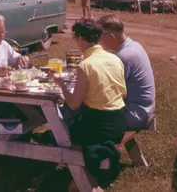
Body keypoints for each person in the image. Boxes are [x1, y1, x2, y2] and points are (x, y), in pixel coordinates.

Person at [47, 18, 126, 186]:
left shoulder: (86, 65)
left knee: (62, 132)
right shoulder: (114, 59)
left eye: (75, 37)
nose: (75, 41)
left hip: (98, 128)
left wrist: (61, 84)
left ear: (82, 38)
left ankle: (76, 178)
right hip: (119, 122)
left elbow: (74, 104)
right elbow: (122, 94)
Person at [99, 14, 156, 131]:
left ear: (111, 36)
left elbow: (111, 93)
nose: (98, 40)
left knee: (86, 116)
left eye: (100, 35)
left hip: (134, 114)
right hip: (146, 108)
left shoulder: (124, 57)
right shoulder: (135, 45)